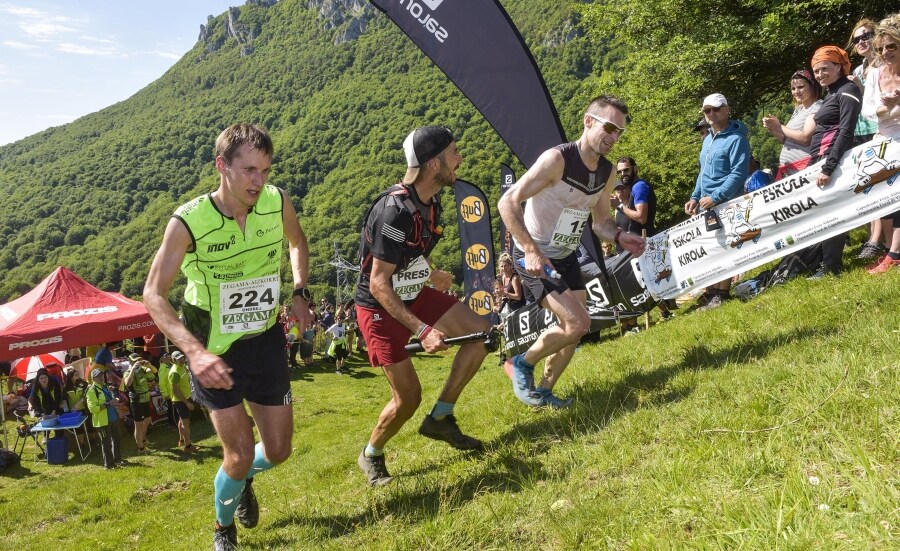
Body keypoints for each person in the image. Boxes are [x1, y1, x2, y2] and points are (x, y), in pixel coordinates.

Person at [143, 123, 313, 550]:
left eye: (266, 170)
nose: (259, 181)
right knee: (236, 455)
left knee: (277, 452)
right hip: (212, 349)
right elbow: (153, 294)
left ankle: (241, 481)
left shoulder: (277, 202)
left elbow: (298, 242)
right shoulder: (188, 221)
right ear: (222, 166)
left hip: (265, 341)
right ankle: (223, 528)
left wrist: (299, 291)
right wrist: (194, 353)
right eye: (249, 170)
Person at [354, 125, 490, 487]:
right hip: (379, 307)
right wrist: (423, 330)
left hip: (414, 293)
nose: (460, 158)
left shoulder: (431, 203)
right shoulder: (393, 212)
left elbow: (410, 252)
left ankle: (441, 418)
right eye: (454, 153)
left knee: (481, 336)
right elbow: (378, 282)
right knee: (408, 398)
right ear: (433, 163)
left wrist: (433, 272)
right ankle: (372, 454)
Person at [498, 95, 645, 409]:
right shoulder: (557, 160)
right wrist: (530, 250)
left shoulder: (605, 173)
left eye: (619, 132)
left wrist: (620, 236)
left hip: (566, 254)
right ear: (588, 122)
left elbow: (601, 222)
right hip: (535, 254)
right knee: (579, 322)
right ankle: (522, 363)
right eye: (609, 127)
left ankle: (545, 391)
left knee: (574, 329)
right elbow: (507, 202)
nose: (614, 137)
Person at [684, 93, 750, 309]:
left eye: (715, 109)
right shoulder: (707, 141)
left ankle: (722, 293)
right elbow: (703, 173)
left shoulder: (737, 139)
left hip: (728, 202)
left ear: (726, 109)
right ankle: (712, 291)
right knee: (713, 248)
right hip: (707, 205)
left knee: (728, 246)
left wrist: (715, 197)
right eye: (706, 110)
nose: (710, 114)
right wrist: (695, 197)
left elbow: (738, 173)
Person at [806, 46, 863, 279]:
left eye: (825, 69)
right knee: (823, 213)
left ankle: (831, 267)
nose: (820, 75)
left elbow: (846, 130)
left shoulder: (847, 89)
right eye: (816, 71)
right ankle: (825, 264)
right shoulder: (831, 92)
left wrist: (829, 166)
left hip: (833, 160)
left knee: (832, 213)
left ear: (838, 67)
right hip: (820, 159)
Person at [864, 14, 900, 274]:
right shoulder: (875, 74)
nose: (885, 52)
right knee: (883, 199)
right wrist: (886, 108)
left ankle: (895, 254)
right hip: (883, 142)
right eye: (880, 48)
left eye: (891, 46)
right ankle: (891, 250)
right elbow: (867, 112)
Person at [763, 69, 824, 180]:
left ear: (812, 86)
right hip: (790, 171)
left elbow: (805, 137)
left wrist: (779, 126)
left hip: (805, 169)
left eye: (801, 87)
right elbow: (785, 139)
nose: (796, 91)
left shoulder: (816, 106)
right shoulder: (798, 109)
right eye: (793, 88)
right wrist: (773, 128)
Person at [848, 19, 880, 144]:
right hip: (860, 130)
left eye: (865, 36)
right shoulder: (857, 71)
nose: (860, 42)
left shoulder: (887, 64)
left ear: (876, 36)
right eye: (856, 40)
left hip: (881, 127)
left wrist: (862, 88)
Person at [85, 367, 124, 469]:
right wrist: (108, 404)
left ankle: (118, 460)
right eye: (98, 376)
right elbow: (92, 409)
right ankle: (109, 465)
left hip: (113, 418)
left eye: (102, 375)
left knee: (117, 439)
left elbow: (111, 402)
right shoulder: (91, 391)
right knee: (106, 443)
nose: (101, 377)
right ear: (93, 378)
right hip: (102, 421)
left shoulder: (105, 386)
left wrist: (117, 408)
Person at [614, 156, 656, 238]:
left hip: (644, 242)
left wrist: (618, 205)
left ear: (635, 169)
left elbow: (641, 218)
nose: (623, 174)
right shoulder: (634, 187)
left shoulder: (639, 186)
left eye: (626, 170)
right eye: (619, 172)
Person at [122, 353, 154, 453]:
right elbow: (127, 383)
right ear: (130, 362)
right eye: (135, 361)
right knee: (138, 425)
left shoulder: (142, 369)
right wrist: (132, 369)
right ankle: (140, 448)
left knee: (148, 420)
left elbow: (154, 373)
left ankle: (143, 440)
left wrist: (149, 365)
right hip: (136, 401)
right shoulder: (127, 371)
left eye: (138, 360)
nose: (137, 362)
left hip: (145, 398)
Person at [168, 351, 198, 452]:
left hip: (186, 397)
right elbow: (175, 390)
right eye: (178, 359)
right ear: (173, 360)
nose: (181, 360)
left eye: (181, 357)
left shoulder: (182, 367)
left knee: (182, 420)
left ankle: (181, 440)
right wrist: (187, 402)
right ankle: (188, 446)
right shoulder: (175, 373)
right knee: (186, 422)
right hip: (181, 400)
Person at [496, 253, 525, 317]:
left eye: (505, 266)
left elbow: (518, 297)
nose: (503, 268)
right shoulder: (503, 277)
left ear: (510, 265)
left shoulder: (514, 278)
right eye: (501, 266)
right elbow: (506, 293)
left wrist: (504, 294)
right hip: (510, 308)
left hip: (519, 309)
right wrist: (500, 298)